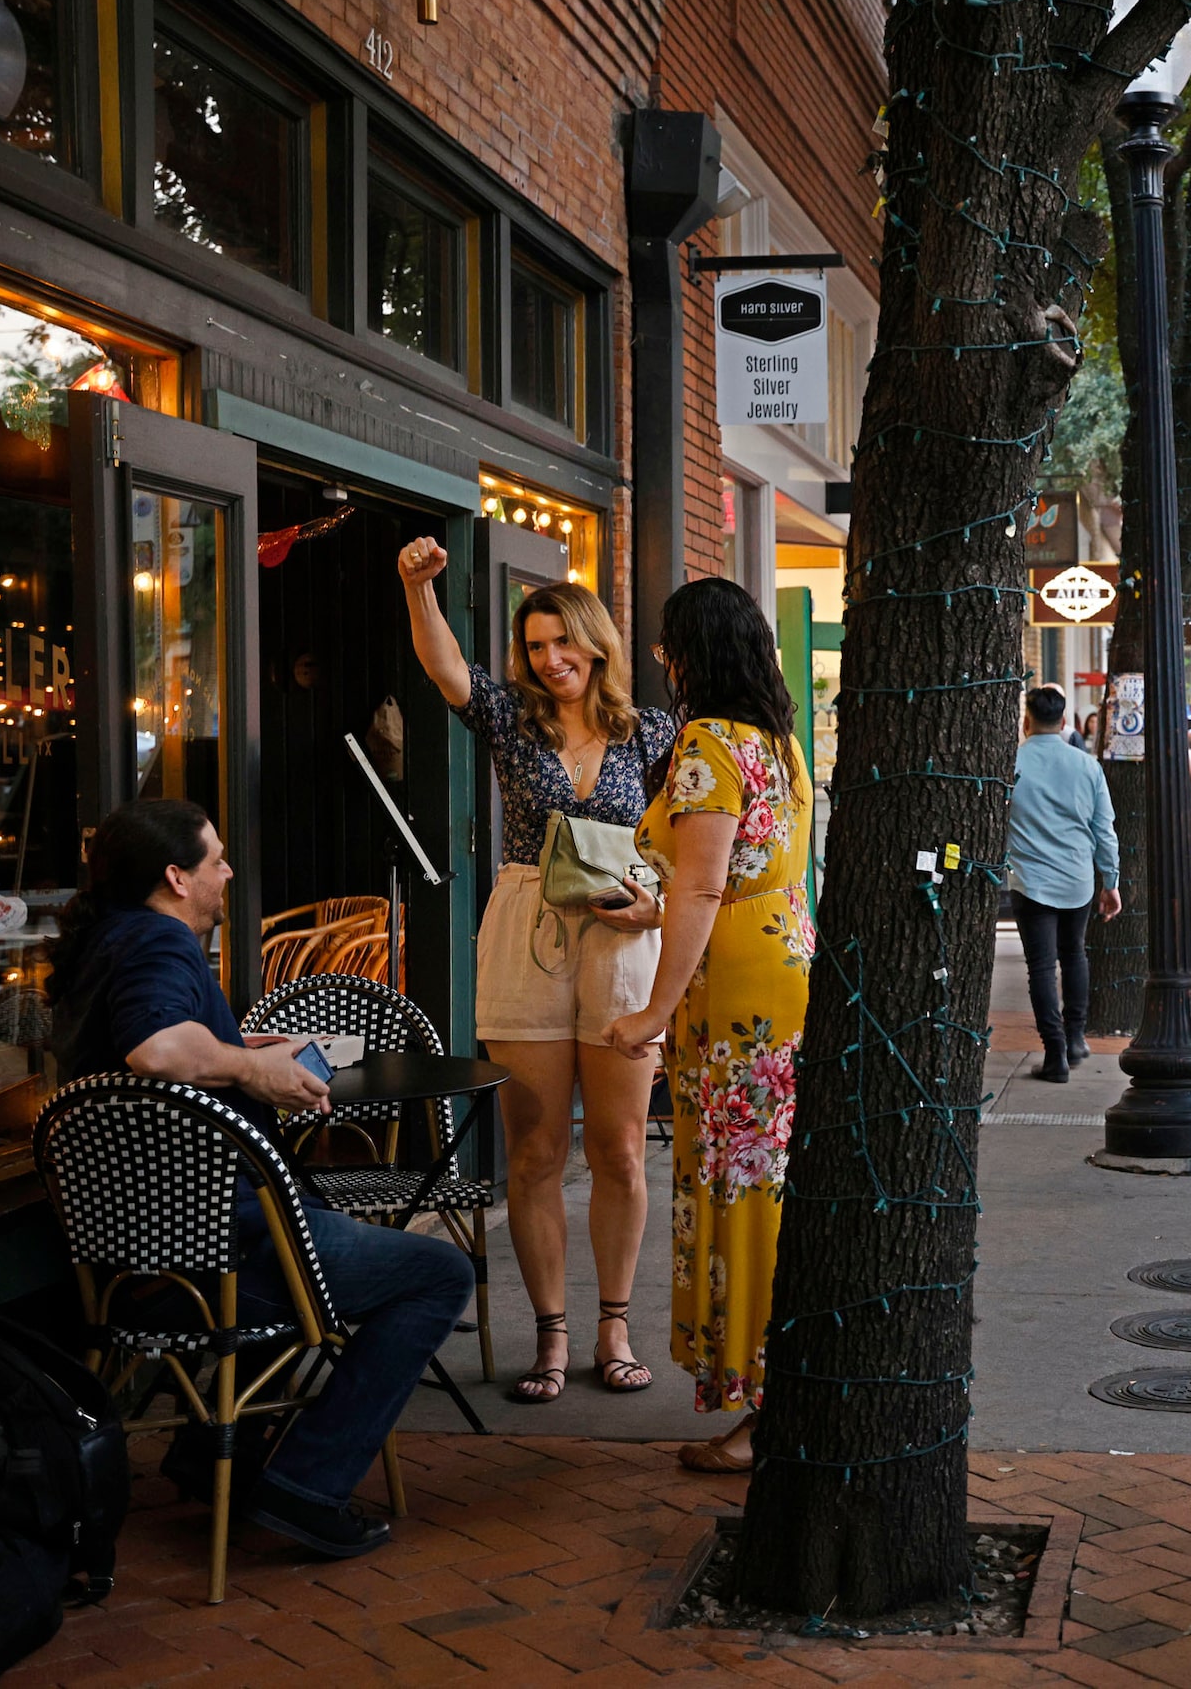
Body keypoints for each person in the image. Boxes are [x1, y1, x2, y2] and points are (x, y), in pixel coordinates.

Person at [48, 798, 472, 1561]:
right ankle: (304, 1485)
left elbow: (152, 1054)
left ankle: (220, 1450)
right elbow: (153, 1052)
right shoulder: (159, 943)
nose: (229, 870)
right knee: (435, 1272)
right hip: (225, 1256)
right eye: (216, 859)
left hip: (134, 1264)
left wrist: (244, 1043)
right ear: (176, 878)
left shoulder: (105, 943)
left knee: (339, 1247)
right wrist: (250, 1068)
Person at [397, 539, 674, 1404]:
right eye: (533, 645)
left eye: (563, 643)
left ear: (597, 645)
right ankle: (551, 1335)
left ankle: (615, 1327)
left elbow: (685, 848)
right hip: (526, 922)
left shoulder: (653, 732)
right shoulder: (510, 717)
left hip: (625, 934)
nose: (549, 660)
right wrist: (419, 591)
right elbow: (447, 670)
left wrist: (657, 906)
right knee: (536, 1149)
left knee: (622, 1148)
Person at [602, 578, 814, 1475]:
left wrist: (652, 1009)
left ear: (692, 654)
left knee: (741, 1182)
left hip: (735, 989)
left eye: (666, 647)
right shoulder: (778, 741)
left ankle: (763, 1407)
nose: (663, 662)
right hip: (784, 957)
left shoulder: (708, 742)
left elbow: (701, 884)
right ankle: (780, 1391)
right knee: (764, 1180)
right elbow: (751, 871)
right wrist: (654, 919)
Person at [1009, 684, 1123, 1082]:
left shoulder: (1012, 764)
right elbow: (1104, 829)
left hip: (1030, 881)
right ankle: (1076, 1037)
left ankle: (1054, 1052)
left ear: (1026, 721)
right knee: (1074, 954)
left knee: (1040, 967)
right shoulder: (1087, 766)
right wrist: (1111, 881)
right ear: (1063, 723)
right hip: (1077, 879)